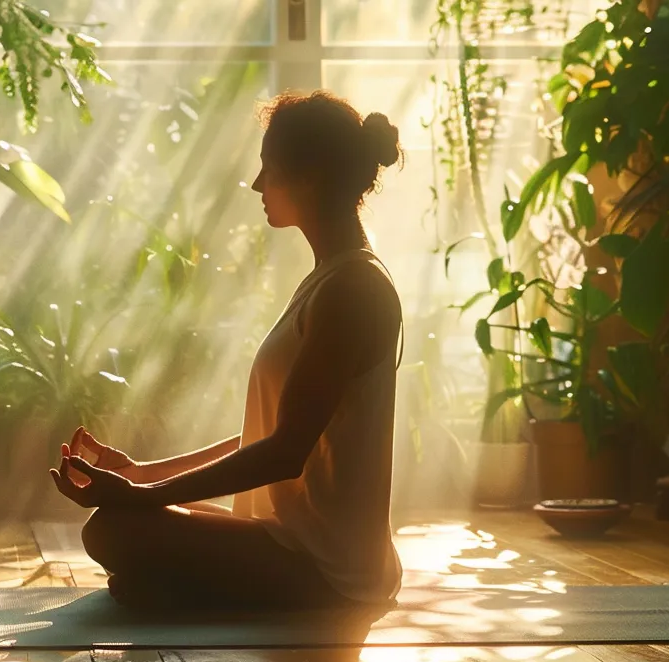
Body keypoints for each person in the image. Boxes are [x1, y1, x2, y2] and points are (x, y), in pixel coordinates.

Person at [50, 90, 405, 610]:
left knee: (114, 532)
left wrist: (146, 496)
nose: (258, 184)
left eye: (269, 168)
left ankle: (183, 588)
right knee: (117, 525)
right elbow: (285, 426)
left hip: (330, 567)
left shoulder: (352, 288)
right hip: (292, 538)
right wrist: (145, 473)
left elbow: (286, 451)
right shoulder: (331, 277)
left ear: (310, 175)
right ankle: (178, 586)